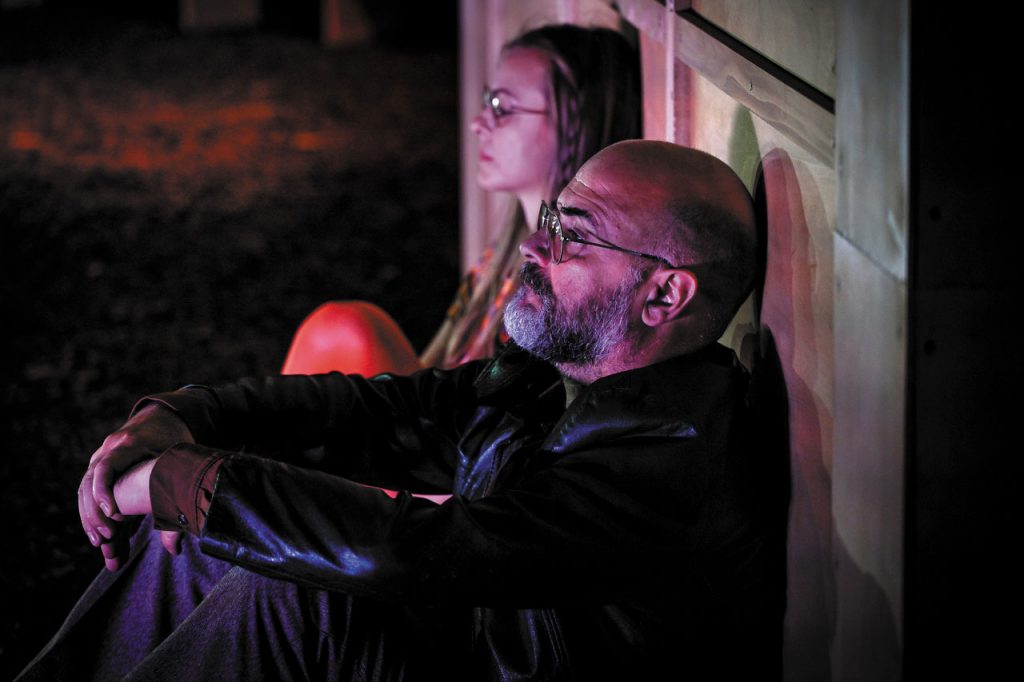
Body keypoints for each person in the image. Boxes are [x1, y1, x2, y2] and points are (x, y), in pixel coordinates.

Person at [20, 140, 785, 680]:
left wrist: (191, 484)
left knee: (290, 584)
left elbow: (426, 551)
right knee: (214, 527)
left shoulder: (676, 460)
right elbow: (374, 409)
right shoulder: (551, 377)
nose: (534, 247)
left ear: (664, 293)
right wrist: (186, 418)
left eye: (573, 237)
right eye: (551, 220)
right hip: (467, 646)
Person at [279, 23, 642, 376]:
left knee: (345, 328)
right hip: (444, 407)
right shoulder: (500, 258)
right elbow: (436, 365)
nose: (478, 123)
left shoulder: (565, 283)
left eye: (503, 106)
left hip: (466, 418)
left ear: (576, 123)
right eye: (488, 100)